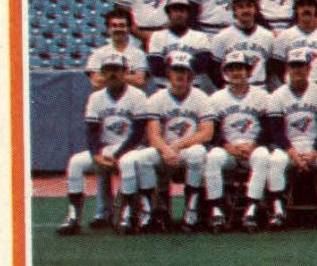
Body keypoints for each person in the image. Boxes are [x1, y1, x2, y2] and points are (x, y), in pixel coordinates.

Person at [56, 50, 149, 235]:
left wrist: (117, 154)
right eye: (108, 70)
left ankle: (128, 216)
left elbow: (139, 133)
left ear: (125, 72)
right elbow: (91, 131)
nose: (113, 74)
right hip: (105, 149)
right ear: (103, 73)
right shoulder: (96, 97)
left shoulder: (138, 95)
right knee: (75, 162)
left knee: (127, 162)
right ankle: (73, 217)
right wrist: (96, 155)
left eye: (117, 69)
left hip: (132, 149)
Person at [134, 51, 214, 233]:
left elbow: (206, 133)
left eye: (184, 71)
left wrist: (178, 146)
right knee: (143, 158)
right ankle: (149, 211)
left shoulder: (201, 97)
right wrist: (166, 150)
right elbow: (153, 135)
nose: (180, 75)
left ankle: (191, 210)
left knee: (198, 153)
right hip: (164, 149)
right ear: (168, 73)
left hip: (187, 149)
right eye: (176, 70)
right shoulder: (156, 98)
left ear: (191, 75)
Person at [265, 47, 317, 230]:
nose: (297, 70)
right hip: (289, 147)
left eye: (301, 66)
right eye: (293, 66)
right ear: (287, 69)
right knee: (275, 161)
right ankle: (278, 211)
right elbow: (276, 132)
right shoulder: (277, 96)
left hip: (315, 146)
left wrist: (314, 152)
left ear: (309, 68)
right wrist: (293, 154)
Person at [203, 50, 271, 233]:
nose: (236, 73)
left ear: (248, 71)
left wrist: (255, 144)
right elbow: (214, 130)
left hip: (253, 147)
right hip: (228, 149)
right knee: (213, 157)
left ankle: (251, 210)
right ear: (225, 73)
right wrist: (227, 146)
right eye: (231, 69)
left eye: (240, 68)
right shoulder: (216, 98)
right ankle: (216, 211)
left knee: (263, 156)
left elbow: (268, 128)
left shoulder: (262, 96)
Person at [209, 0, 277, 89]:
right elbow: (214, 69)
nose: (245, 10)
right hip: (232, 89)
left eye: (249, 6)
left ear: (256, 9)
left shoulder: (268, 36)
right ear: (234, 10)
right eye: (241, 7)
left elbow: (271, 67)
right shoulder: (222, 37)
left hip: (259, 89)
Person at [146, 0, 212, 90]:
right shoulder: (157, 36)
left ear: (188, 14)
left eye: (182, 11)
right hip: (164, 88)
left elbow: (202, 65)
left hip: (193, 88)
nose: (179, 14)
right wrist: (186, 68)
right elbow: (156, 67)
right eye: (175, 10)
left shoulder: (200, 37)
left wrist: (172, 67)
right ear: (168, 13)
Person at [86, 7, 148, 90]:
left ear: (128, 28)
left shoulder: (139, 54)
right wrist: (125, 76)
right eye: (114, 26)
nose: (118, 29)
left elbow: (139, 81)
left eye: (122, 26)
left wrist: (110, 75)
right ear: (108, 29)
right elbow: (96, 83)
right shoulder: (98, 54)